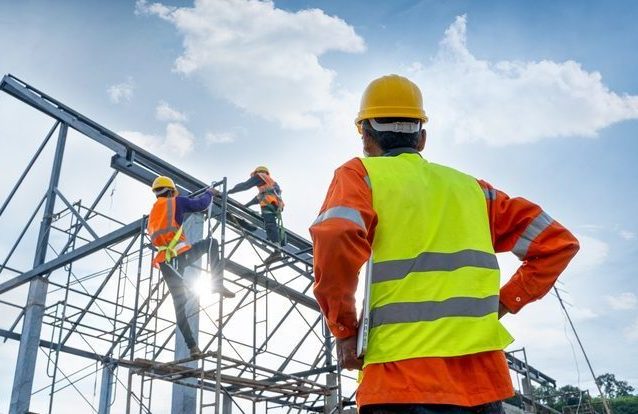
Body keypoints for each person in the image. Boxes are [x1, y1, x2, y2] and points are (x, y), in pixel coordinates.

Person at [309, 74, 580, 413]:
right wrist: (506, 301)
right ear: (422, 138)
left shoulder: (360, 175)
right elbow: (557, 243)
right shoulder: (475, 191)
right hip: (481, 384)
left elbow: (335, 235)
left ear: (365, 137)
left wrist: (344, 329)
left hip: (399, 380)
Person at [147, 175, 234, 357]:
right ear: (171, 191)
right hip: (179, 254)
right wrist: (210, 192)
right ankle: (216, 283)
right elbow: (200, 205)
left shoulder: (153, 212)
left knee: (179, 305)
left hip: (165, 261)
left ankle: (192, 347)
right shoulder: (175, 202)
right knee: (212, 243)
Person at [227, 166, 285, 263]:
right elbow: (258, 198)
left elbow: (245, 185)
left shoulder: (260, 176)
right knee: (269, 224)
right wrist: (246, 206)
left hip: (269, 205)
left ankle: (277, 249)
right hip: (274, 205)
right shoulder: (268, 184)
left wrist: (229, 191)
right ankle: (275, 250)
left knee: (270, 224)